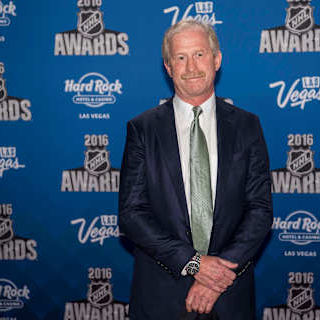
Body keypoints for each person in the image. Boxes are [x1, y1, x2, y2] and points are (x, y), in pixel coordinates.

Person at [119, 20, 273, 320]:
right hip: (161, 296)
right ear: (168, 66)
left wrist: (217, 277)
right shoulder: (142, 129)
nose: (191, 66)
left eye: (200, 54)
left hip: (229, 295)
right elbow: (131, 214)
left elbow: (260, 209)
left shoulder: (247, 126)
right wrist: (195, 265)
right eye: (180, 57)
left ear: (217, 60)